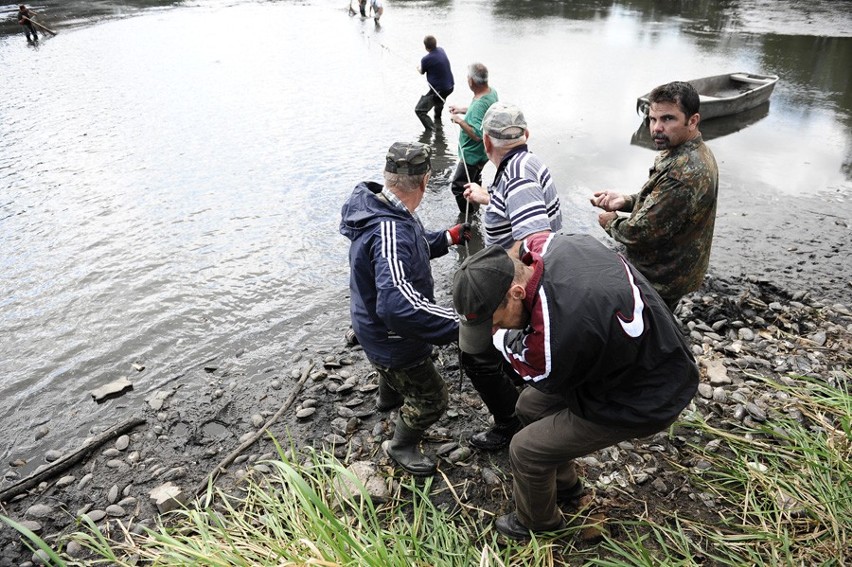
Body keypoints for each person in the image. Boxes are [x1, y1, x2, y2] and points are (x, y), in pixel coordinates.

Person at [452, 233, 699, 540]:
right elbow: (518, 247)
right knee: (528, 406)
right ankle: (567, 486)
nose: (494, 329)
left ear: (516, 292)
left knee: (525, 449)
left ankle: (539, 523)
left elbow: (536, 368)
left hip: (647, 396)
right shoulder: (553, 244)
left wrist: (499, 338)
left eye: (495, 322)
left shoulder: (552, 334)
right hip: (649, 353)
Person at [339, 142, 471, 476]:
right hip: (391, 337)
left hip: (371, 327)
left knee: (395, 367)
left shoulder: (386, 208)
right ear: (426, 181)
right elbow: (399, 306)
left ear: (388, 178)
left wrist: (449, 238)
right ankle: (400, 445)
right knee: (432, 399)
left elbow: (414, 245)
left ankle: (388, 399)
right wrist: (462, 324)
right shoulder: (389, 229)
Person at [457, 102, 563, 452]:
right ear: (526, 136)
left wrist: (493, 275)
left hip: (523, 287)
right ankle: (525, 389)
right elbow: (520, 208)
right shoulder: (524, 164)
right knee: (501, 350)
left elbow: (535, 239)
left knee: (476, 354)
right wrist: (489, 199)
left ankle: (510, 423)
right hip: (531, 284)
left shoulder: (516, 177)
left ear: (486, 143)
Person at [590, 81, 719, 312]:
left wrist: (610, 222)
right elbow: (661, 199)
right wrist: (626, 201)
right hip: (676, 266)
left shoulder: (684, 172)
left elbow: (639, 233)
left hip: (662, 278)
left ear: (693, 121)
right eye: (652, 119)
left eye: (668, 119)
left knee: (642, 332)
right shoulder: (688, 149)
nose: (657, 127)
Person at [447, 63, 498, 214]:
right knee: (474, 180)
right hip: (483, 153)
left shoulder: (478, 104)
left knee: (458, 186)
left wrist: (459, 121)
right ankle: (476, 206)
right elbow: (480, 113)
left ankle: (469, 215)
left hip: (472, 155)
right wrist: (462, 110)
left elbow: (476, 135)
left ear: (471, 81)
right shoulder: (491, 92)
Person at [415, 36, 454, 132]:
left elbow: (421, 72)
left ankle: (432, 131)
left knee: (420, 110)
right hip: (450, 87)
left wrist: (418, 68)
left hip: (439, 90)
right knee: (438, 105)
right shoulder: (441, 50)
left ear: (425, 47)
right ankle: (438, 125)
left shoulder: (425, 59)